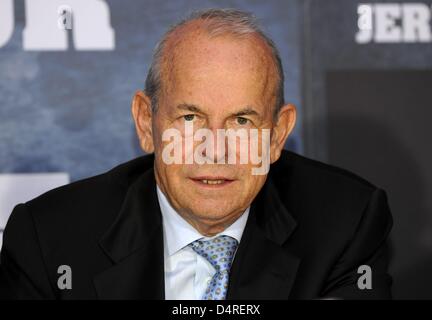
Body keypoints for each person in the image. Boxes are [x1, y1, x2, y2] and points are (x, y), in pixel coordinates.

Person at [0, 8, 392, 300]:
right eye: (190, 118)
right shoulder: (49, 239)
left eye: (241, 121)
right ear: (145, 122)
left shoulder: (346, 223)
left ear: (277, 135)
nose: (214, 149)